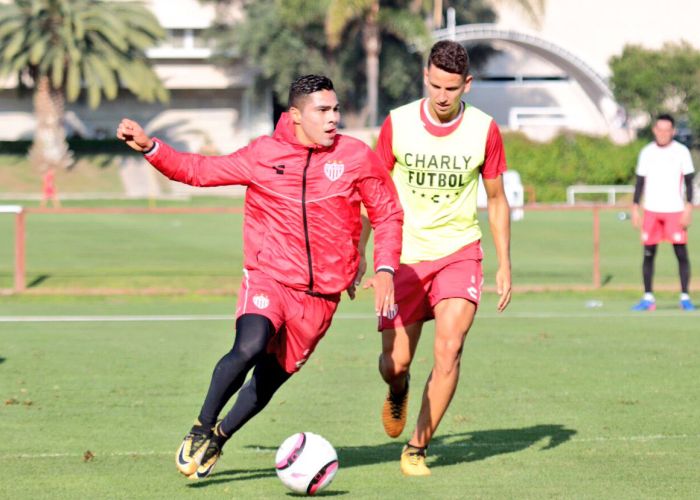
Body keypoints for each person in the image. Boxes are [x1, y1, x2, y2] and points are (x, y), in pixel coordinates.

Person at [116, 75, 403, 479]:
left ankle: (219, 437)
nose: (333, 118)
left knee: (268, 379)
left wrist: (385, 266)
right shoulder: (263, 154)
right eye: (322, 110)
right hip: (269, 275)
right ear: (296, 116)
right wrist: (151, 148)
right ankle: (201, 426)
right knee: (249, 346)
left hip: (321, 297)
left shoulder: (356, 156)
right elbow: (200, 171)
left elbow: (387, 212)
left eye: (335, 109)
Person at [363, 40, 512, 476]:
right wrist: (359, 252)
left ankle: (416, 447)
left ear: (467, 84)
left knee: (449, 349)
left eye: (451, 88)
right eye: (434, 85)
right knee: (395, 364)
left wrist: (503, 262)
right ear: (424, 77)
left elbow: (497, 199)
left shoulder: (485, 129)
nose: (441, 96)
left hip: (459, 252)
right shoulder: (398, 123)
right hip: (404, 256)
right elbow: (372, 193)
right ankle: (399, 389)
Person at [631, 114, 695, 311]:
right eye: (660, 129)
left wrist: (689, 208)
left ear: (673, 131)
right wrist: (635, 208)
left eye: (667, 130)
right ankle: (648, 297)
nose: (663, 133)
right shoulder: (647, 152)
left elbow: (689, 182)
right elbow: (640, 182)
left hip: (675, 210)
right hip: (651, 210)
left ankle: (685, 297)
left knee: (681, 254)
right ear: (654, 130)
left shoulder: (681, 152)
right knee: (648, 254)